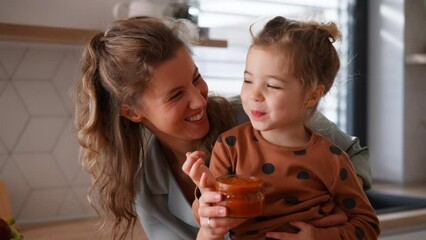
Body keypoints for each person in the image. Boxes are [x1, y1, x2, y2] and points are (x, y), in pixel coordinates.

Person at [74, 16, 372, 240]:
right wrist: (209, 229)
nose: (198, 99)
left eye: (196, 78)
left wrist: (337, 214)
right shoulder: (150, 191)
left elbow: (351, 154)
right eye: (176, 95)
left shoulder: (260, 115)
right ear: (132, 111)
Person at [184, 16, 380, 240]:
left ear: (312, 95)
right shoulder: (230, 146)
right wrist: (206, 197)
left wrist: (317, 237)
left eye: (273, 86)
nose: (254, 95)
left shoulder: (333, 159)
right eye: (248, 81)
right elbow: (207, 220)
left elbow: (368, 226)